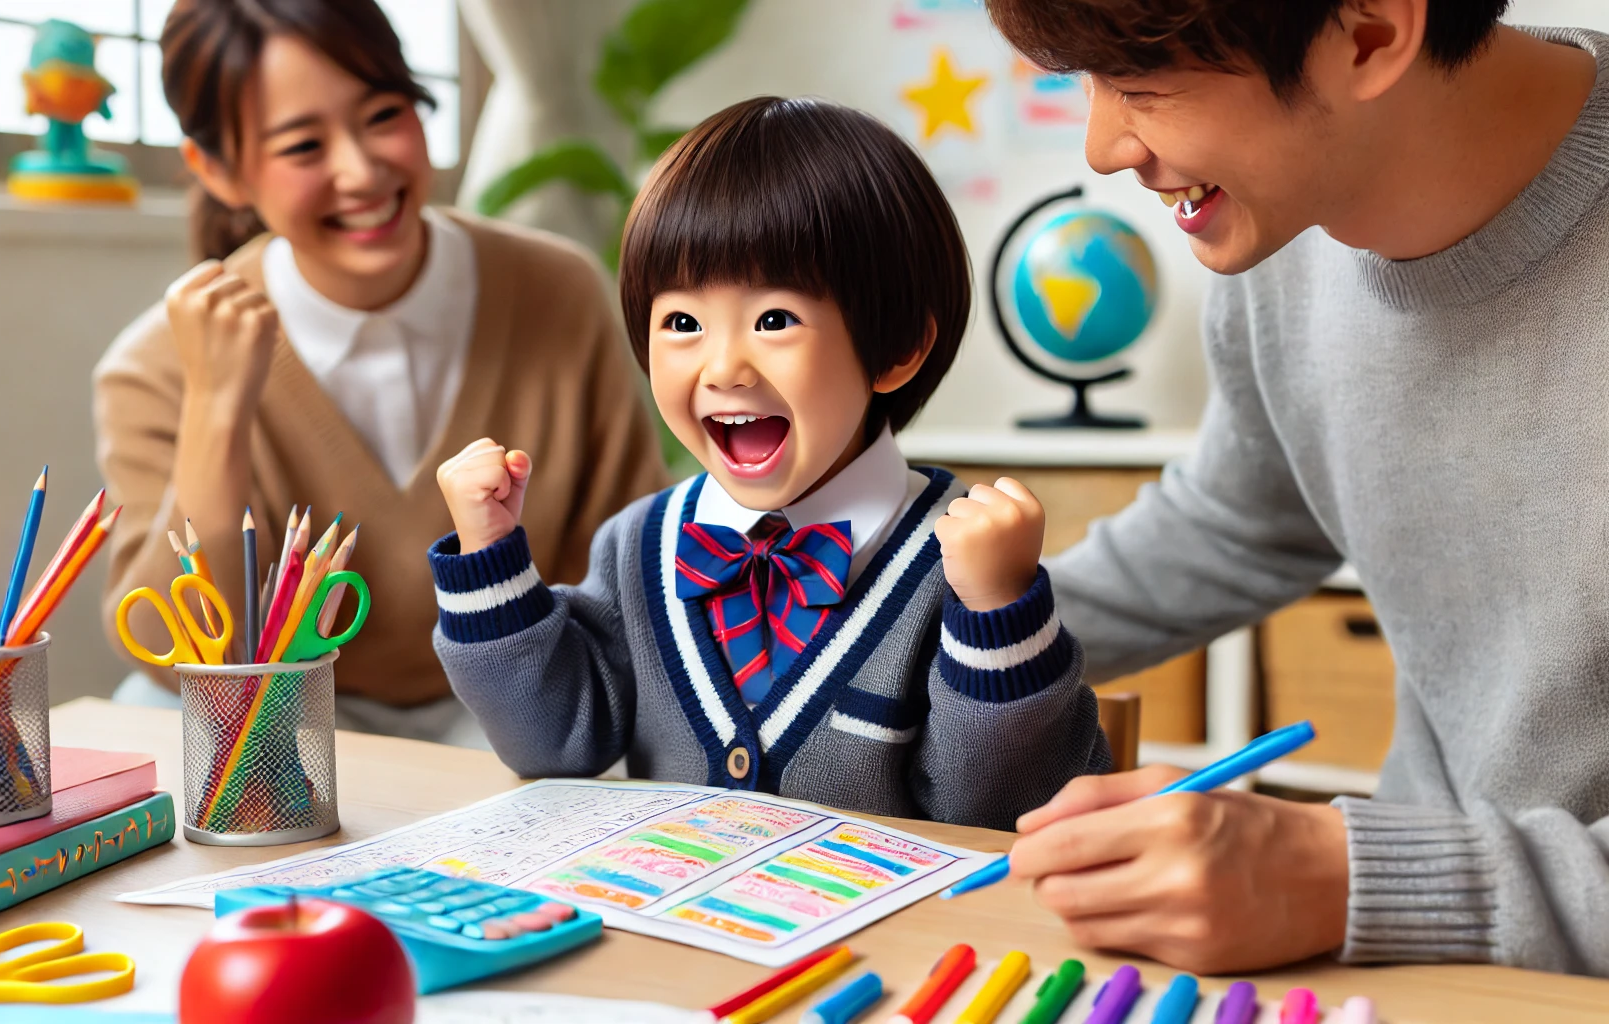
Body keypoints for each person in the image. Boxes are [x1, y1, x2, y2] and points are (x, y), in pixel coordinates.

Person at [984, 0, 1609, 978]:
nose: (1103, 146)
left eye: (1141, 89)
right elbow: (1237, 521)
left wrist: (1344, 877)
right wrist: (934, 627)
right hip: (1403, 965)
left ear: (1366, 34)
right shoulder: (1288, 220)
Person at [425, 97, 1110, 828]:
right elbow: (552, 745)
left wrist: (999, 616)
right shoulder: (638, 547)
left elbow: (1005, 814)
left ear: (896, 348)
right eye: (682, 323)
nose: (723, 367)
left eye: (774, 320)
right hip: (685, 927)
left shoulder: (966, 560)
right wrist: (489, 558)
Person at [93, 0, 666, 743]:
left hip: (519, 697)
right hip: (289, 719)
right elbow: (180, 659)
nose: (361, 171)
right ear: (220, 169)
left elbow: (628, 567)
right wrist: (216, 408)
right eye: (303, 146)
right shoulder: (155, 366)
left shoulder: (560, 290)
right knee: (148, 713)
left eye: (384, 115)